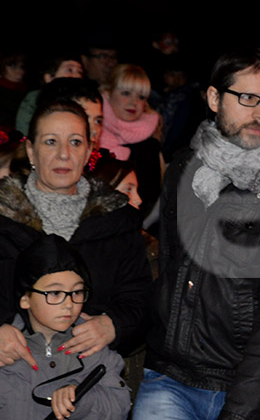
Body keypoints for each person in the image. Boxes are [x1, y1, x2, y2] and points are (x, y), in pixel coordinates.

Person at [133, 47, 260, 420]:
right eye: (248, 97)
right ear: (215, 98)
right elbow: (170, 266)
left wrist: (242, 410)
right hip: (170, 376)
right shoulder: (183, 167)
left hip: (246, 389)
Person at [0, 100, 152, 368]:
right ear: (31, 152)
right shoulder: (3, 217)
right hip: (12, 378)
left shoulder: (117, 220)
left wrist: (113, 325)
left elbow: (140, 298)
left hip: (92, 380)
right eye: (50, 142)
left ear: (88, 151)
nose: (63, 154)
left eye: (75, 142)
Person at [0, 234, 130, 419]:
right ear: (25, 298)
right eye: (54, 292)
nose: (69, 303)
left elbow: (119, 406)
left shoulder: (93, 348)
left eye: (77, 292)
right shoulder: (4, 348)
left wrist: (80, 398)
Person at [99, 64, 164, 215]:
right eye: (126, 93)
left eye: (141, 97)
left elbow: (150, 199)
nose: (134, 102)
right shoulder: (91, 131)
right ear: (108, 93)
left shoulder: (149, 145)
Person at [15, 53, 84, 135]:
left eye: (80, 72)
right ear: (49, 77)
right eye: (69, 70)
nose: (76, 76)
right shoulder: (33, 99)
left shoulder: (83, 101)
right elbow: (23, 132)